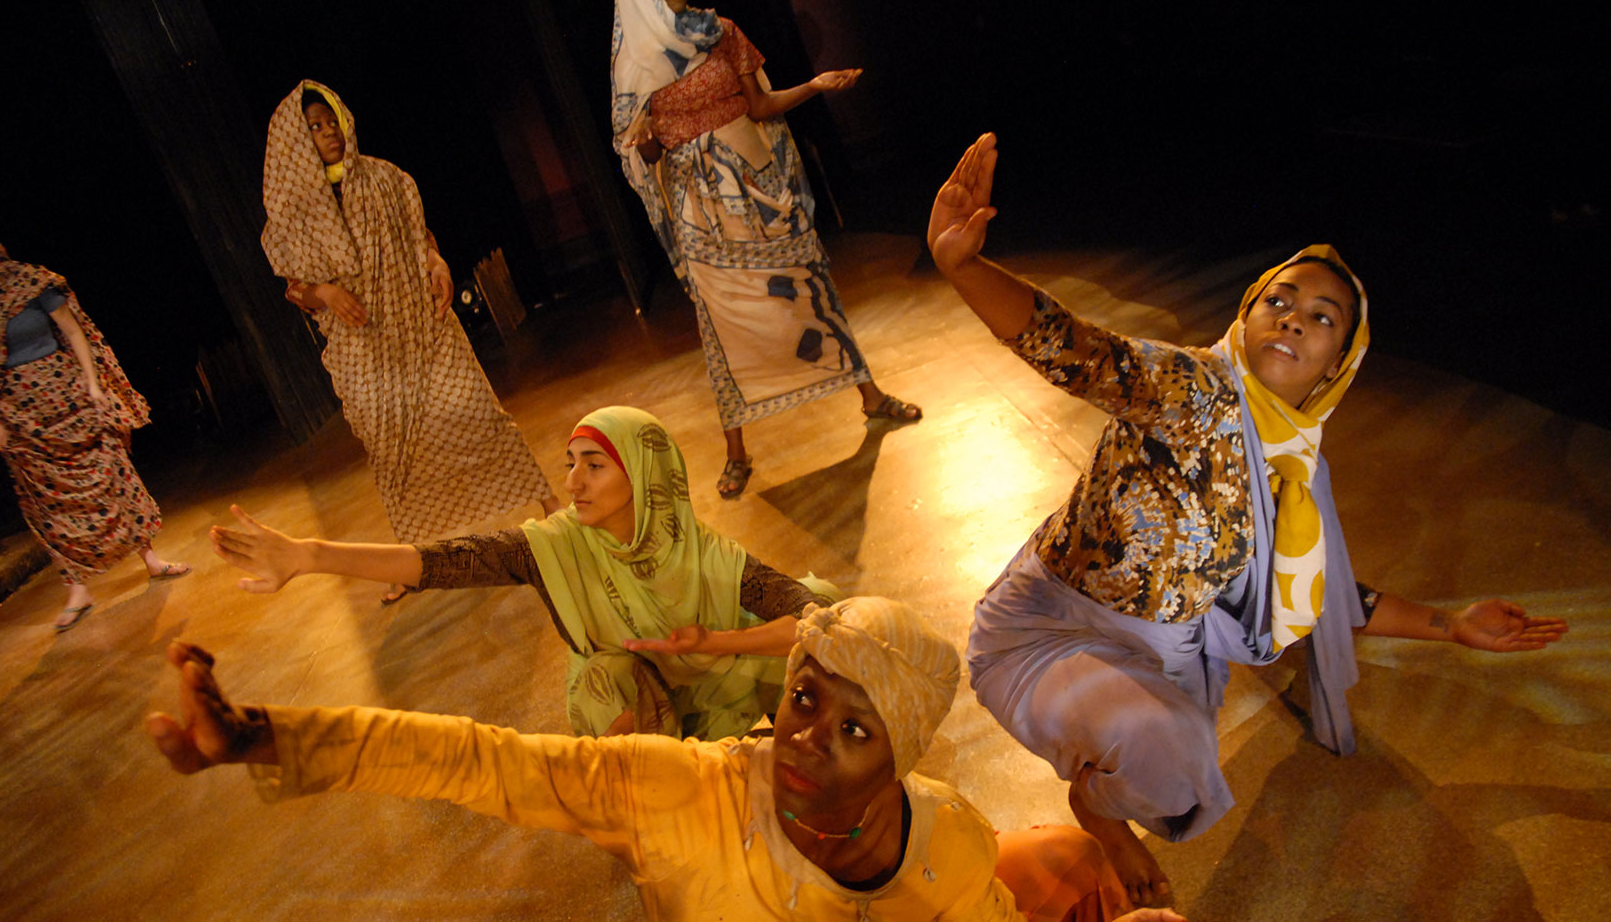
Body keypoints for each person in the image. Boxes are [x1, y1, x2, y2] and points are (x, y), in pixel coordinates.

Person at [927, 134, 1571, 906]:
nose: (1294, 320)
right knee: (1171, 743)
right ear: (1248, 312)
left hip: (1159, 654)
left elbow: (1325, 594)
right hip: (1044, 630)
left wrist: (1451, 623)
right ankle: (1102, 816)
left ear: (1340, 363)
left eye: (1322, 316)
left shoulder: (1298, 467)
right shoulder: (1194, 388)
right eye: (1279, 301)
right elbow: (1082, 352)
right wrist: (963, 268)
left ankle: (1102, 800)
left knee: (1178, 763)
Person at [145, 595, 1187, 921]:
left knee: (1065, 863)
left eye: (853, 730)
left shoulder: (950, 844)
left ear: (901, 758)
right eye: (804, 698)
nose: (803, 740)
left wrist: (1099, 838)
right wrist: (262, 736)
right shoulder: (680, 791)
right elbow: (472, 761)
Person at [211, 405, 835, 740]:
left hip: (716, 677)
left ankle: (770, 751)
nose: (572, 482)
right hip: (640, 694)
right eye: (571, 463)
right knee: (611, 680)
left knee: (825, 645)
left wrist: (716, 643)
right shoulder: (555, 546)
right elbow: (448, 561)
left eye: (594, 465)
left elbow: (816, 618)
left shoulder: (707, 556)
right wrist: (314, 555)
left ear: (644, 477)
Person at [611, 0, 921, 499]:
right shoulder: (635, 62)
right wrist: (640, 141)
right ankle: (736, 451)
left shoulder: (721, 31)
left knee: (806, 287)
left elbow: (760, 106)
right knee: (721, 320)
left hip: (756, 180)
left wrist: (816, 86)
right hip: (699, 204)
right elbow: (649, 150)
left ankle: (870, 396)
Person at [261, 80, 555, 601]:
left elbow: (422, 238)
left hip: (423, 325)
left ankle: (550, 505)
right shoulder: (292, 216)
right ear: (293, 140)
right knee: (394, 456)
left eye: (331, 121)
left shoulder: (384, 178)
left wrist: (437, 262)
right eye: (314, 126)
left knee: (477, 415)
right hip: (363, 349)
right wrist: (326, 292)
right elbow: (297, 291)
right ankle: (409, 560)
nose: (328, 132)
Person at [0, 231, 190, 631]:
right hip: (18, 413)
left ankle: (150, 558)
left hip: (66, 393)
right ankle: (76, 588)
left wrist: (94, 384)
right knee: (44, 499)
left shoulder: (30, 281)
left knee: (110, 471)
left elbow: (74, 331)